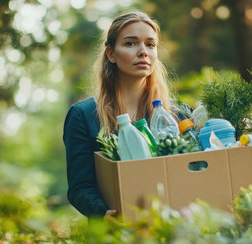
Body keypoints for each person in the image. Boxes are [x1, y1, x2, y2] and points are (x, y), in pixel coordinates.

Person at [63, 10, 180, 218]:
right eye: (130, 43)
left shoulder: (176, 114)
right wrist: (104, 213)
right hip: (116, 236)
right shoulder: (83, 115)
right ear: (111, 54)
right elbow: (80, 188)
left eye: (150, 44)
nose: (143, 51)